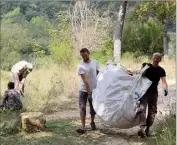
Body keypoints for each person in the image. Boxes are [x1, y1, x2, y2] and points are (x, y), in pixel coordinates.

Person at [129, 52, 168, 137]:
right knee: (142, 109)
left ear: (160, 60)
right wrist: (131, 73)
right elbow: (139, 73)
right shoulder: (146, 66)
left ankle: (148, 129)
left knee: (152, 112)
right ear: (152, 58)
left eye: (158, 58)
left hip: (154, 93)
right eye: (155, 57)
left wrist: (165, 88)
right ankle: (142, 129)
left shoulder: (161, 70)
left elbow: (163, 81)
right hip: (144, 93)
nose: (156, 59)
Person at [76, 48, 99, 133]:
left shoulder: (95, 62)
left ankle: (92, 122)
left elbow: (97, 73)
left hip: (94, 89)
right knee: (82, 107)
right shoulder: (80, 66)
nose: (84, 57)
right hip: (83, 90)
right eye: (82, 56)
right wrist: (89, 94)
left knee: (93, 107)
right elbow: (85, 81)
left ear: (89, 53)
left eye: (85, 55)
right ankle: (83, 126)